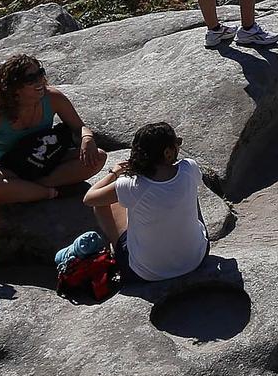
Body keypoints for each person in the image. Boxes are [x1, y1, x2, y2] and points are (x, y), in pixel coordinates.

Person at [0, 53, 109, 206]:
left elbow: (79, 127)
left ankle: (29, 190)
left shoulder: (53, 98)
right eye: (30, 79)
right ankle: (48, 192)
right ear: (14, 87)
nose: (39, 81)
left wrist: (87, 138)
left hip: (46, 159)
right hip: (10, 167)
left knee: (98, 157)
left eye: (40, 74)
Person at [82, 121, 209, 282]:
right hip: (196, 259)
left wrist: (114, 173)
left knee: (103, 205)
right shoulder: (189, 168)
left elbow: (89, 198)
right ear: (168, 153)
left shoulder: (131, 184)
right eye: (177, 143)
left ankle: (119, 250)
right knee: (189, 189)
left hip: (146, 273)